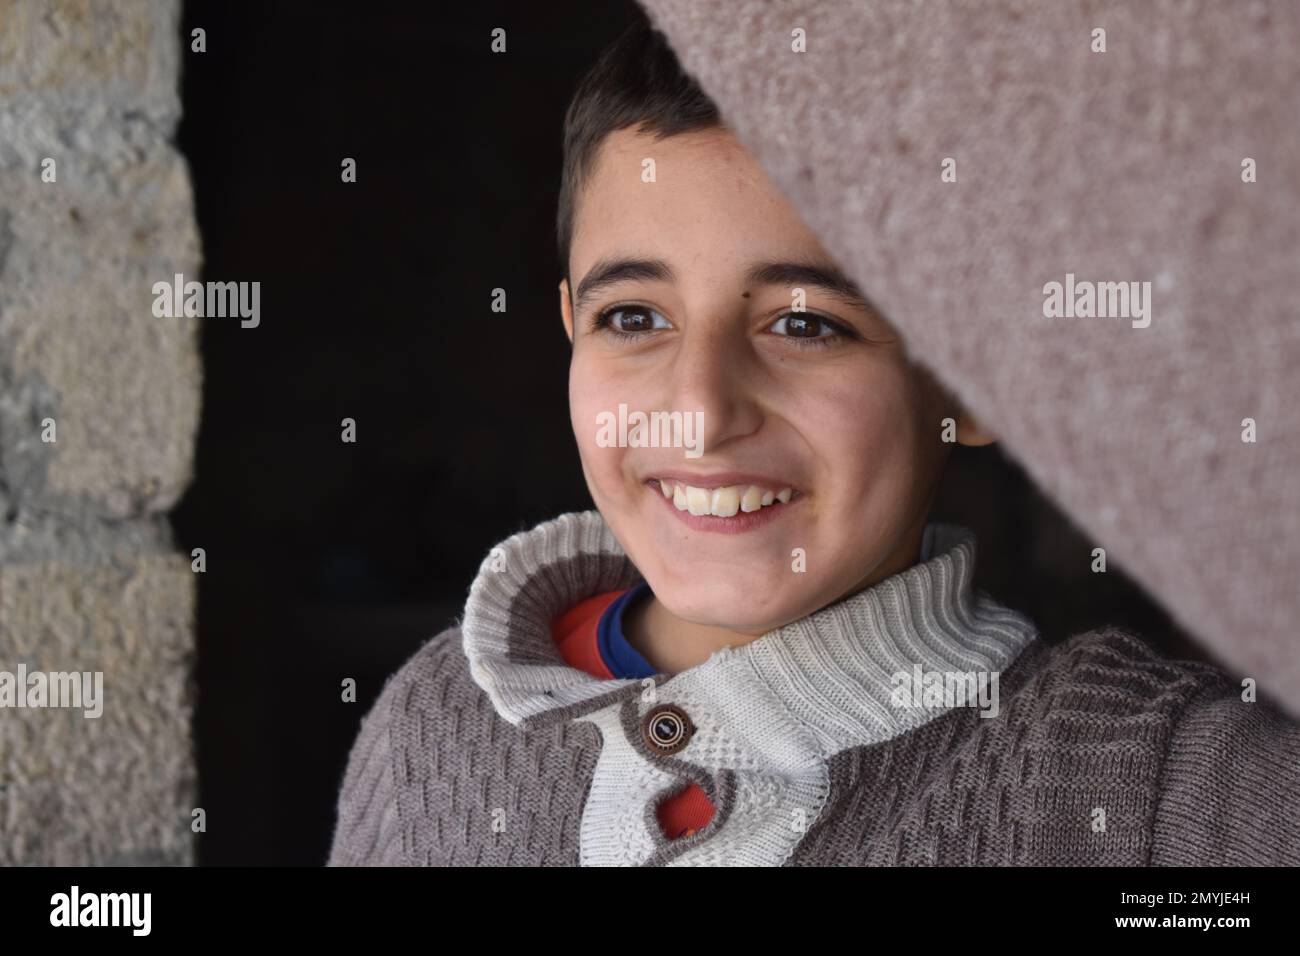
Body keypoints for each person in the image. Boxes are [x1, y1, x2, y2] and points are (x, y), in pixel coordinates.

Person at [327, 17, 1300, 866]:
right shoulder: (431, 730)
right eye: (632, 317)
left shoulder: (1165, 794)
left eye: (804, 324)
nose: (699, 411)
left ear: (970, 374)